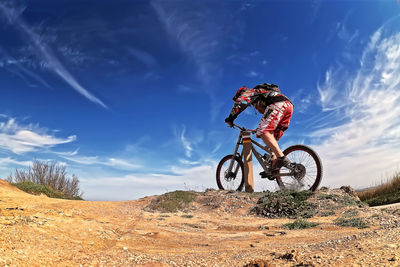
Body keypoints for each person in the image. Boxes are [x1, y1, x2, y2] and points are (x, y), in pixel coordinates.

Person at [225, 83, 293, 177]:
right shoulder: (262, 94)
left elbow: (241, 102)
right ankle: (274, 167)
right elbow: (270, 119)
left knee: (264, 132)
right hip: (288, 106)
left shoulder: (250, 92)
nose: (251, 106)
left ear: (241, 93)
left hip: (278, 104)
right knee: (271, 140)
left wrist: (230, 118)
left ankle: (281, 159)